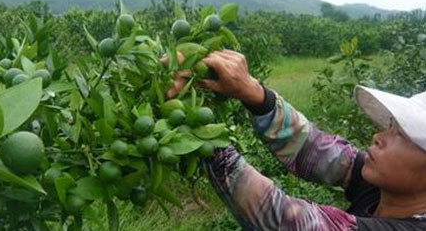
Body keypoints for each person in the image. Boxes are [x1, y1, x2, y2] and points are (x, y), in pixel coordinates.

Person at [168, 50, 426, 230]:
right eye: (390, 126)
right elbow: (314, 149)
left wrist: (200, 132)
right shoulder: (384, 190)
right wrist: (253, 93)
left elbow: (281, 219)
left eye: (402, 135)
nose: (378, 136)